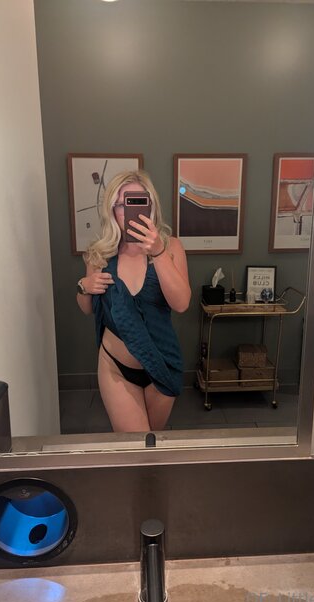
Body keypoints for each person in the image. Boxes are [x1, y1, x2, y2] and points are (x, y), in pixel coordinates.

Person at [76, 170, 191, 433]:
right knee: (134, 443)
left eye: (137, 202)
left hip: (161, 362)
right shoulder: (100, 253)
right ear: (111, 210)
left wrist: (158, 252)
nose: (128, 211)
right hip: (115, 367)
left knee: (150, 441)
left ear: (151, 205)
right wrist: (84, 286)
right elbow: (87, 308)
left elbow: (182, 303)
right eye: (121, 205)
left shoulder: (171, 247)